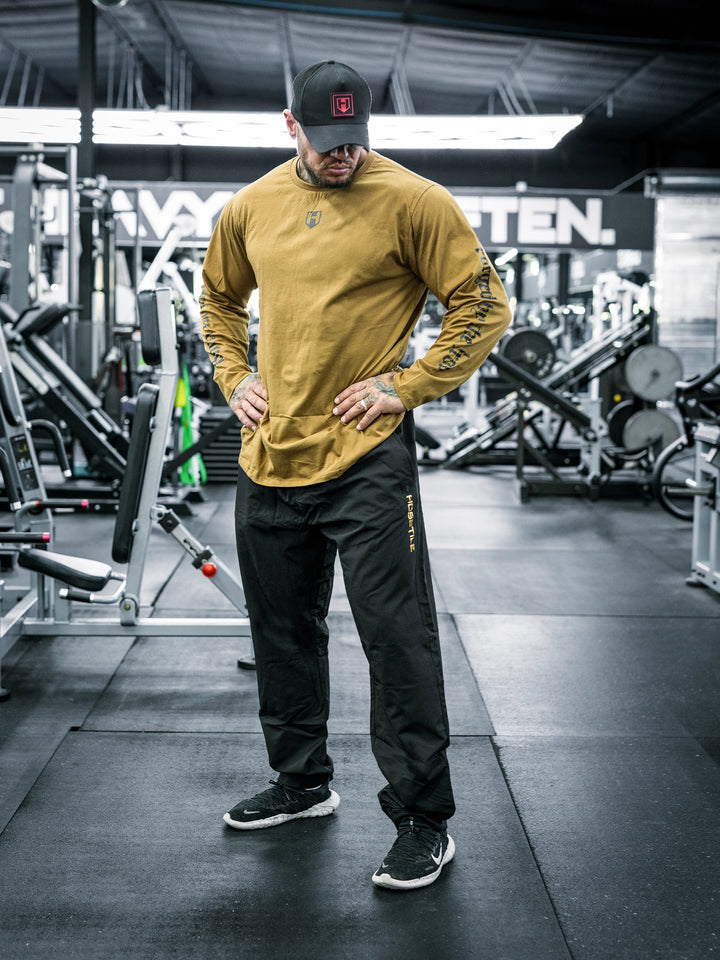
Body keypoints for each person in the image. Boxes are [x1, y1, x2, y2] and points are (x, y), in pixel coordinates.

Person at [200, 59, 511, 891]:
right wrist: (235, 378)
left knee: (396, 638)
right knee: (282, 632)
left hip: (366, 458)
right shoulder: (252, 206)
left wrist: (406, 386)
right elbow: (218, 301)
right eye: (329, 142)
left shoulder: (414, 201)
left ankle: (422, 818)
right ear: (291, 127)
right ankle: (302, 783)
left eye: (356, 142)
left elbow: (484, 305)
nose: (345, 157)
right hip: (271, 456)